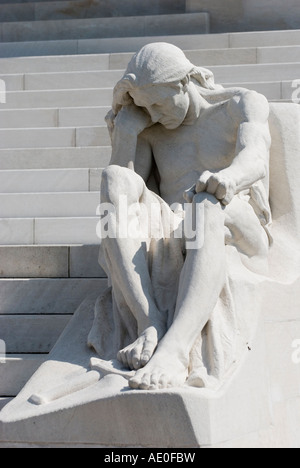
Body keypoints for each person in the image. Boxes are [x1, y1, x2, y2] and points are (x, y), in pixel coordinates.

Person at [89, 42, 272, 391]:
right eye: (144, 107)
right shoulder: (150, 127)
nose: (153, 114)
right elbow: (128, 188)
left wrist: (228, 179)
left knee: (205, 205)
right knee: (113, 178)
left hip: (235, 216)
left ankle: (174, 350)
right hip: (175, 221)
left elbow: (256, 158)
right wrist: (126, 134)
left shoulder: (239, 104)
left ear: (184, 81)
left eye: (158, 102)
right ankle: (150, 322)